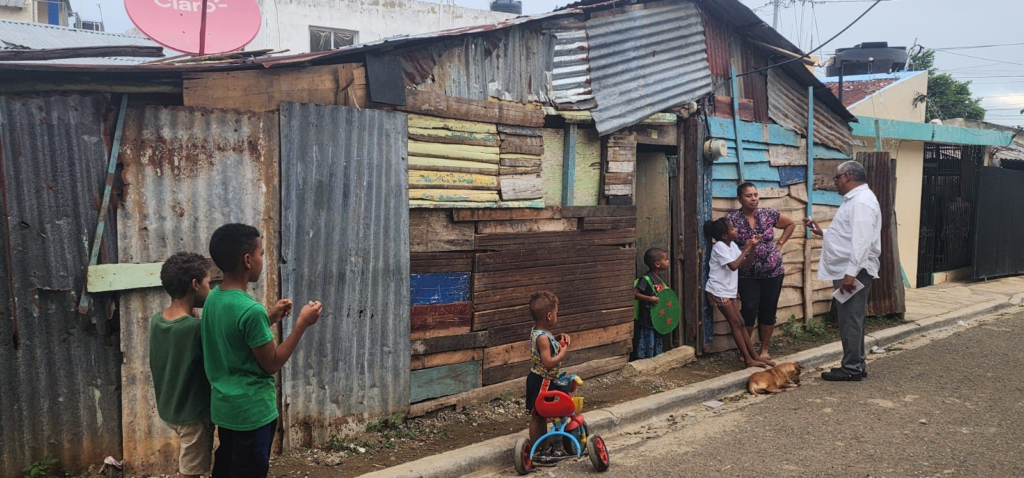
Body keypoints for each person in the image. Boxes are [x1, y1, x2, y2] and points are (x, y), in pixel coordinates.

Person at [201, 224, 323, 478]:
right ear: (247, 260)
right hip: (253, 413)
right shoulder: (249, 310)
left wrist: (271, 317)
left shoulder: (214, 298)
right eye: (261, 254)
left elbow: (235, 337)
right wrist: (301, 324)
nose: (262, 260)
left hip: (225, 410)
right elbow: (272, 363)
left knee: (226, 469)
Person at [803, 161, 881, 382]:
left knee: (850, 319)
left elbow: (862, 241)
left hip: (853, 269)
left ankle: (852, 368)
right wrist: (823, 232)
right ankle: (857, 363)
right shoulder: (856, 200)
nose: (835, 183)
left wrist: (850, 273)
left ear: (847, 177)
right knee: (852, 319)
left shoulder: (862, 202)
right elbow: (848, 235)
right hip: (850, 267)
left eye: (836, 178)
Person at [150, 252, 214, 478]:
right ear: (195, 285)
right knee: (190, 472)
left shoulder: (157, 320)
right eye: (208, 283)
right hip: (193, 415)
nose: (211, 289)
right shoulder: (195, 329)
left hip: (169, 408)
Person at [727, 182, 797, 361]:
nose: (754, 199)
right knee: (749, 309)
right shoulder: (732, 219)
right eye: (749, 196)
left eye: (756, 195)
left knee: (768, 309)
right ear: (739, 199)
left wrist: (779, 244)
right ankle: (747, 350)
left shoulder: (768, 214)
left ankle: (764, 349)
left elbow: (790, 223)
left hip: (772, 271)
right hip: (746, 274)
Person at [703, 218, 773, 369]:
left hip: (729, 290)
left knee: (741, 322)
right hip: (718, 290)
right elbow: (734, 266)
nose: (736, 230)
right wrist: (746, 249)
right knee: (735, 323)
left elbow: (745, 266)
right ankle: (748, 360)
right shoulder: (720, 247)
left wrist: (752, 247)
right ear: (724, 235)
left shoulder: (732, 245)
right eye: (732, 229)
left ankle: (754, 357)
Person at [525, 291, 572, 454]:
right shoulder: (543, 338)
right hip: (542, 381)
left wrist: (558, 337)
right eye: (557, 314)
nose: (557, 317)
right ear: (550, 315)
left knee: (540, 415)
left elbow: (548, 342)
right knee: (538, 416)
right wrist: (562, 354)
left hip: (538, 379)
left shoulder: (539, 331)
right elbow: (548, 362)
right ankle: (541, 450)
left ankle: (542, 447)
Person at [633, 248, 670, 359]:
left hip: (657, 318)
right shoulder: (646, 279)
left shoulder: (659, 279)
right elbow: (634, 294)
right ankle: (645, 359)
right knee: (648, 338)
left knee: (657, 338)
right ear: (657, 264)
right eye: (666, 259)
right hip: (647, 318)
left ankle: (656, 358)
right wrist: (650, 299)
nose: (668, 261)